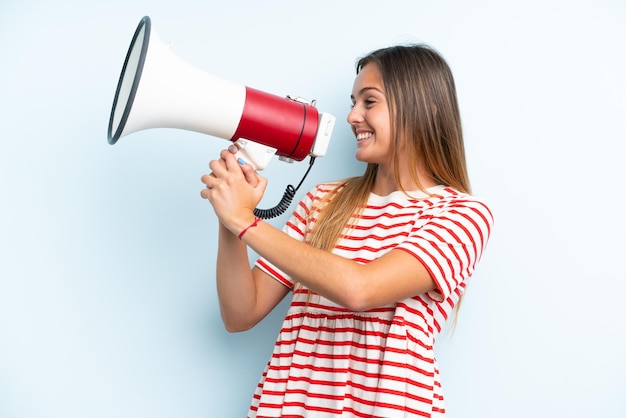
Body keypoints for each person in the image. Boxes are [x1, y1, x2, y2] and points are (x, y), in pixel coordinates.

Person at [200, 44, 494, 417]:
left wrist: (246, 221)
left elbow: (361, 289)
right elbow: (240, 314)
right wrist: (229, 217)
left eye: (369, 102)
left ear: (426, 109)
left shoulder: (462, 214)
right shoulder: (323, 201)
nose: (353, 115)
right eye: (353, 102)